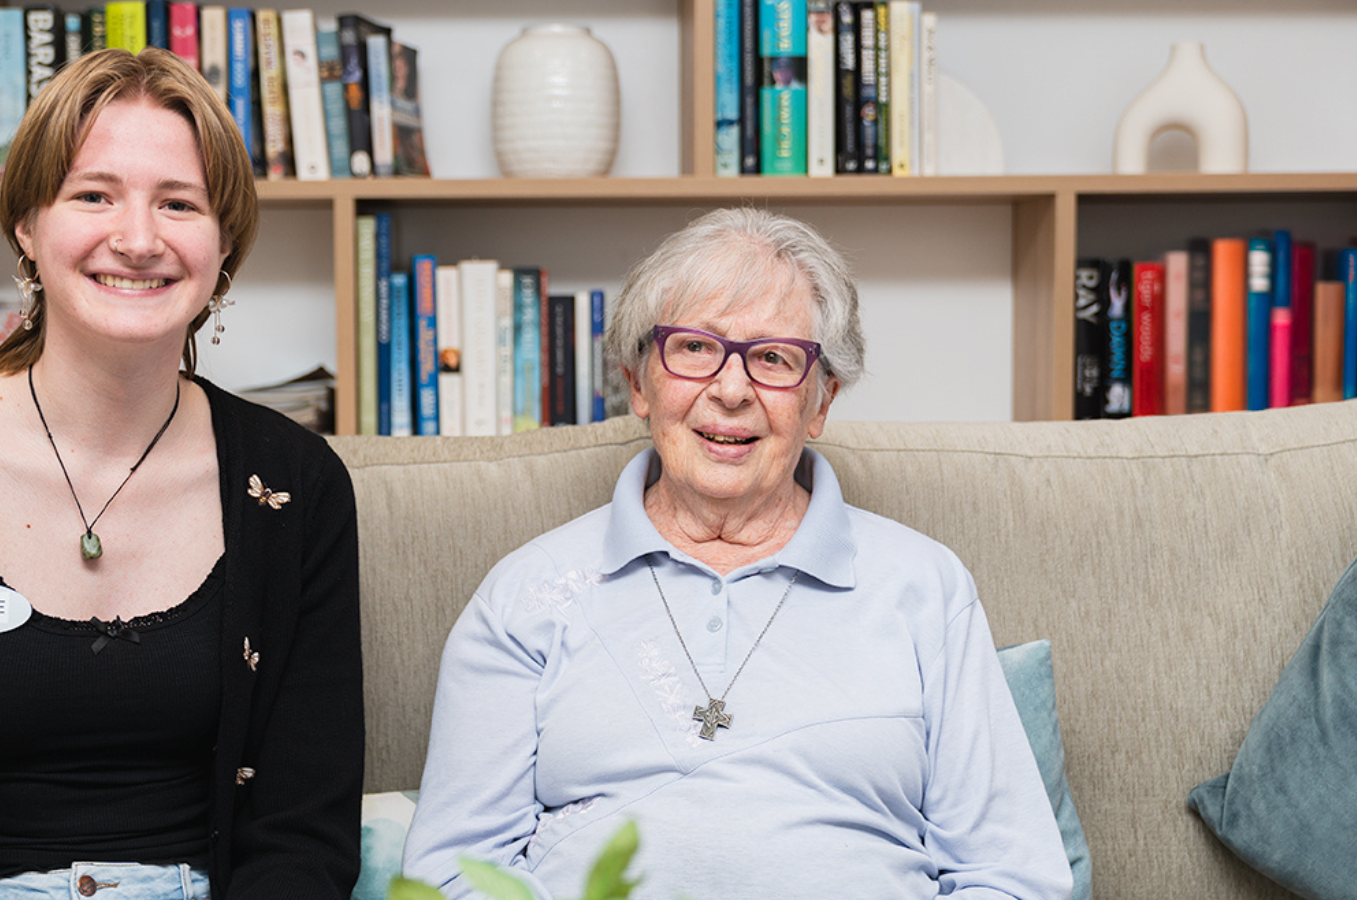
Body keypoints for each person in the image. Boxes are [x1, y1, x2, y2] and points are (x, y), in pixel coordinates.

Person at [0, 48, 363, 900]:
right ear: (28, 224)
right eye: (93, 194)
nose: (137, 240)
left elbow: (304, 837)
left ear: (223, 248)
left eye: (179, 204)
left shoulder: (297, 488)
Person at [401, 209, 1071, 900]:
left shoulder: (925, 588)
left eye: (774, 358)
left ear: (820, 402)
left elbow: (1015, 877)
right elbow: (449, 874)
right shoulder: (527, 594)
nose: (730, 389)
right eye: (694, 348)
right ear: (639, 383)